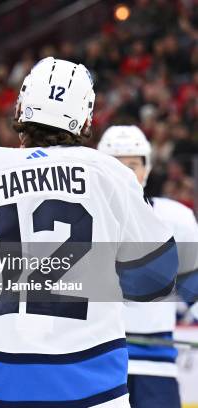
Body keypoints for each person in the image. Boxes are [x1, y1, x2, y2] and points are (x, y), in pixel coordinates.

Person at [0, 57, 178, 407]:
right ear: (86, 119)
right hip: (91, 387)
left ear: (20, 107)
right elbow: (155, 281)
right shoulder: (111, 174)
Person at [98, 125, 198, 408]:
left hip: (155, 368)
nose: (126, 173)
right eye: (117, 165)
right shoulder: (81, 221)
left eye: (133, 164)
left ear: (147, 167)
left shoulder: (175, 219)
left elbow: (193, 284)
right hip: (98, 364)